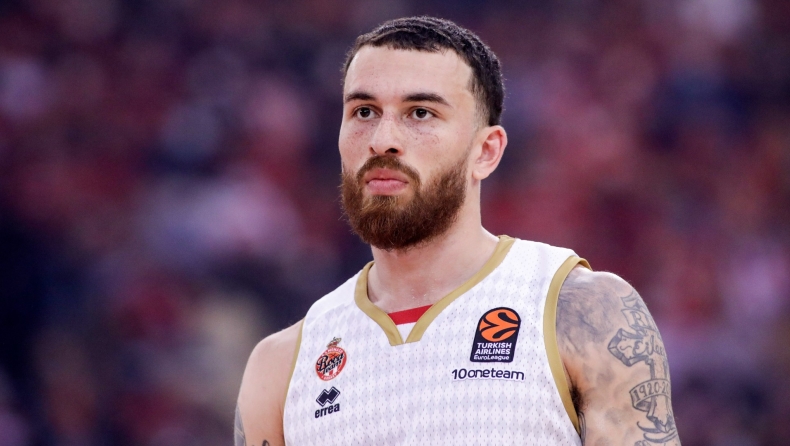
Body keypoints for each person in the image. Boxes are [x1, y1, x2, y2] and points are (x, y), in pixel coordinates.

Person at [235, 16, 680, 446]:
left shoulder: (583, 311)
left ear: (485, 151)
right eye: (364, 111)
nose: (382, 139)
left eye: (420, 113)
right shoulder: (281, 365)